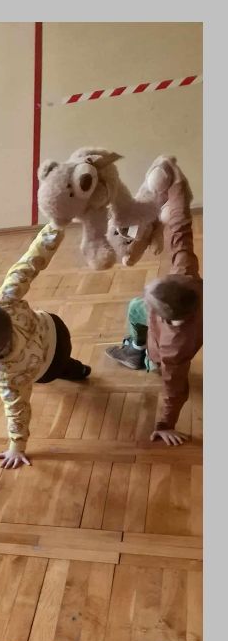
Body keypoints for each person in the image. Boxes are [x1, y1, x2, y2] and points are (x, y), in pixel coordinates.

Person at [0, 223, 91, 469]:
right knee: (64, 363)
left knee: (57, 368)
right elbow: (30, 262)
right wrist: (56, 225)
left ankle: (76, 369)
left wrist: (16, 447)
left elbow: (17, 410)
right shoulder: (2, 301)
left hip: (48, 368)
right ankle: (80, 370)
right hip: (56, 328)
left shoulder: (6, 373)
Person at [104, 168, 202, 446]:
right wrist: (175, 183)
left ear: (165, 317)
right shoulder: (188, 278)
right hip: (190, 326)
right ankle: (137, 348)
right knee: (136, 305)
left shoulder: (172, 348)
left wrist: (164, 425)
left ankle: (140, 355)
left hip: (163, 348)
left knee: (153, 354)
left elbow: (175, 389)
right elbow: (180, 230)